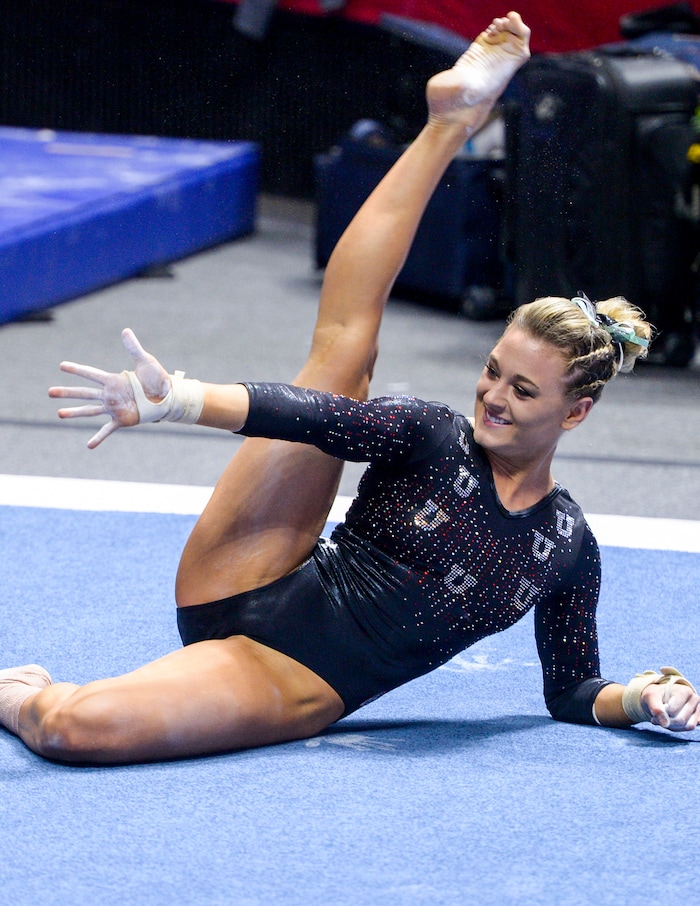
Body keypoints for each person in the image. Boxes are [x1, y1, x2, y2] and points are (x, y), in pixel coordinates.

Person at [1, 12, 698, 765]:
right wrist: (179, 398)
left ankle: (16, 691)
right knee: (343, 353)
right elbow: (306, 414)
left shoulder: (566, 546)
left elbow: (571, 689)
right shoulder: (432, 437)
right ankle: (451, 121)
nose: (493, 396)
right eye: (493, 370)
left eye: (524, 392)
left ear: (578, 411)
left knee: (72, 729)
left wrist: (643, 696)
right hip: (248, 570)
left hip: (290, 676)